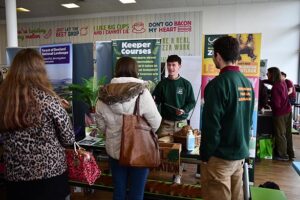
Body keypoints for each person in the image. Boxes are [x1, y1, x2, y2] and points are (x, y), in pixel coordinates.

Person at [0, 49, 75, 200]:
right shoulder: (50, 101)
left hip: (15, 177)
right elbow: (68, 138)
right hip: (50, 177)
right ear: (40, 71)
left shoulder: (4, 102)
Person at [95, 56, 161, 200]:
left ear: (117, 71)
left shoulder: (103, 94)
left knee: (118, 191)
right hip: (139, 150)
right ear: (135, 71)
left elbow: (100, 125)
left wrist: (111, 134)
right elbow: (156, 122)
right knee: (136, 193)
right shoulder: (142, 93)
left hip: (114, 151)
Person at [200, 36, 255, 200]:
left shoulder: (217, 85)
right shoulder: (246, 83)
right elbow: (249, 121)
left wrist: (205, 155)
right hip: (239, 156)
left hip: (219, 158)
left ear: (217, 56)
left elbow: (211, 126)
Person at [152, 55, 196, 142]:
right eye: (169, 65)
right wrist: (153, 101)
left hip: (182, 125)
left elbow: (192, 102)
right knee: (161, 148)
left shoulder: (186, 84)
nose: (170, 67)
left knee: (182, 150)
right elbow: (156, 101)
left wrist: (184, 110)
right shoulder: (162, 84)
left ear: (179, 66)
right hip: (165, 124)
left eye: (173, 65)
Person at [268, 67, 294, 161]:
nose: (267, 75)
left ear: (272, 74)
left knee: (280, 134)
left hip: (280, 113)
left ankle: (283, 155)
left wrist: (268, 102)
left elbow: (277, 104)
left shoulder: (275, 87)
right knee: (287, 133)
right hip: (288, 110)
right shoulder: (282, 83)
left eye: (268, 74)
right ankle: (290, 153)